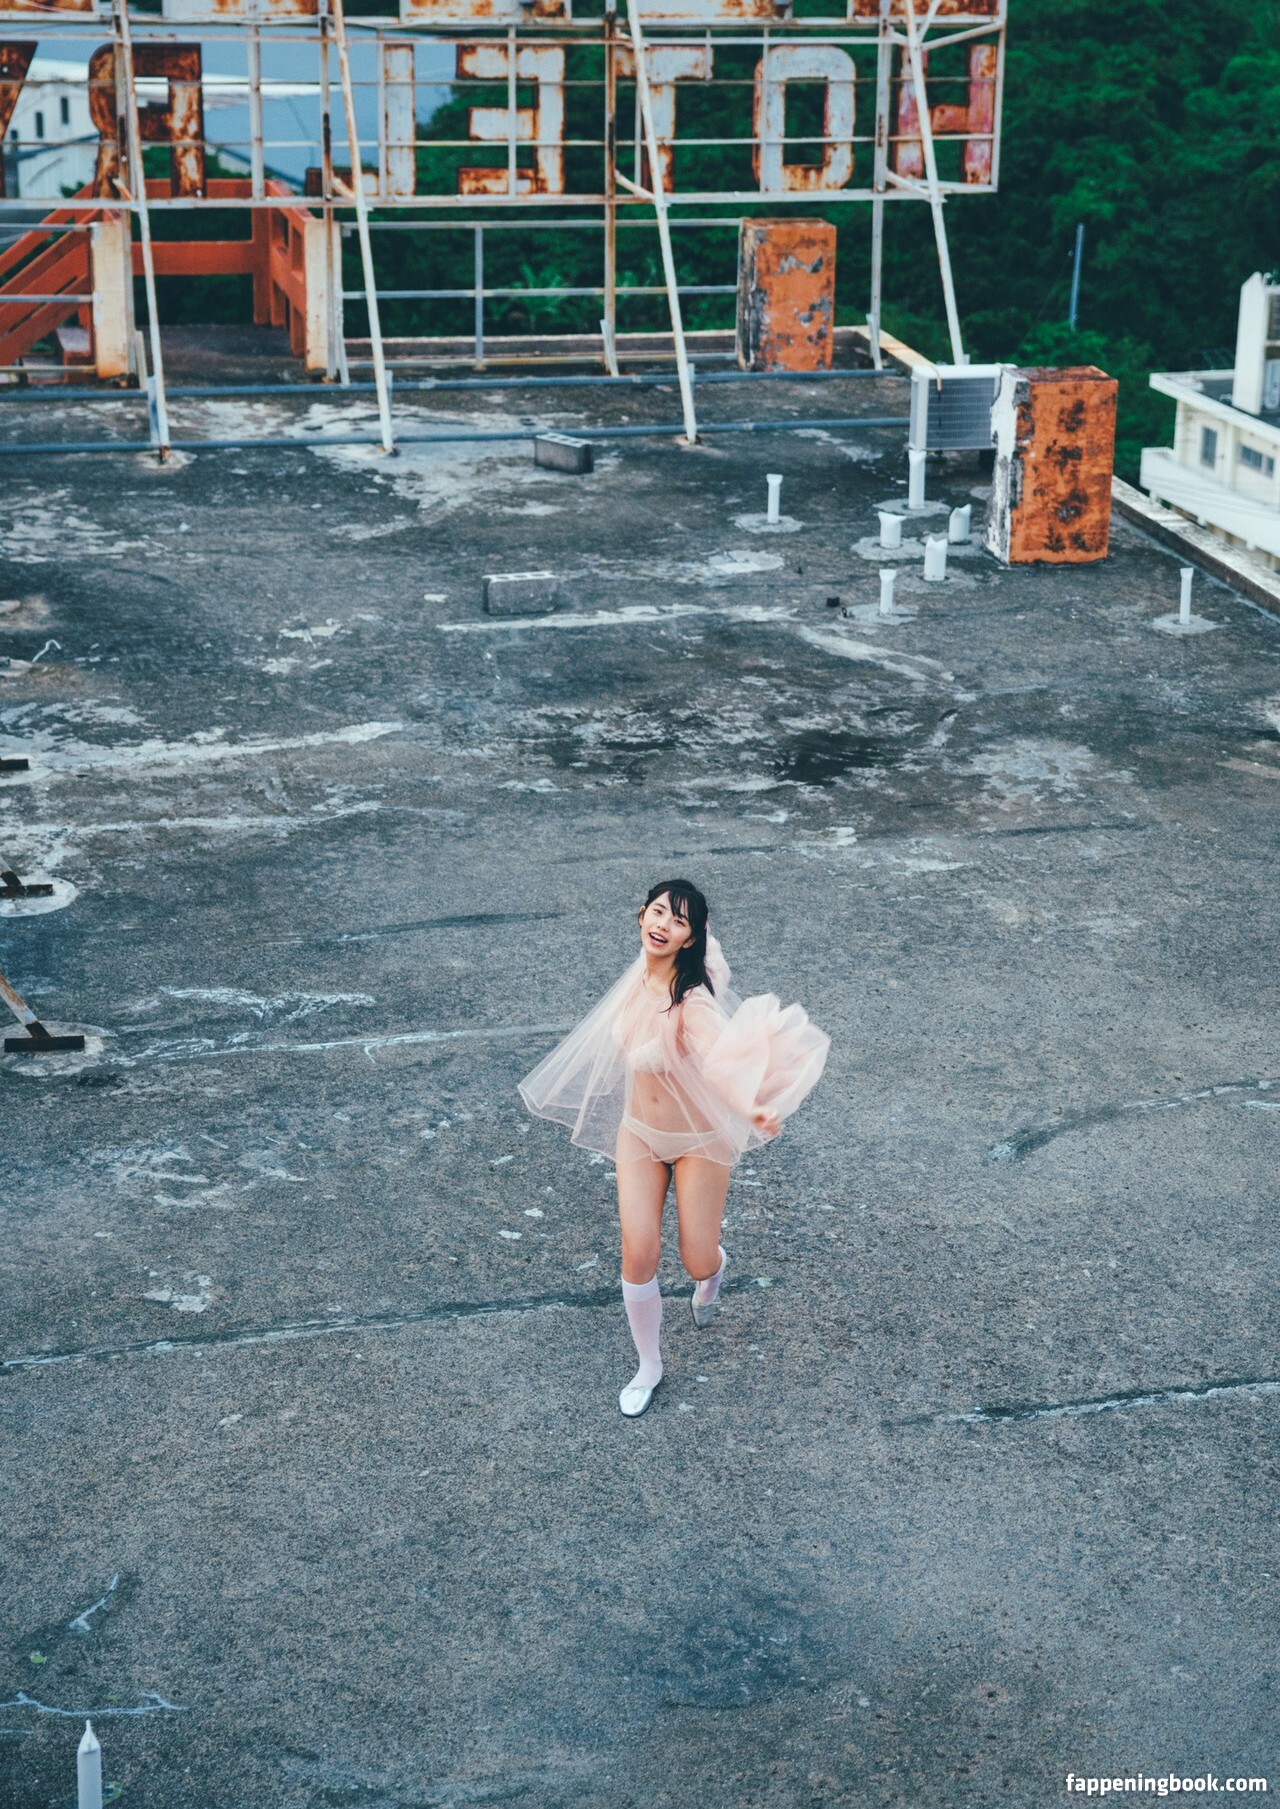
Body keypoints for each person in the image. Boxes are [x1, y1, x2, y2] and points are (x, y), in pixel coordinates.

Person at [518, 879, 829, 1417]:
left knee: (694, 1258)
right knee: (638, 1252)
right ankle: (649, 1365)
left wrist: (751, 1106)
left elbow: (723, 1059)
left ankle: (714, 1269)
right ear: (641, 915)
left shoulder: (693, 1003)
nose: (664, 925)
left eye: (679, 921)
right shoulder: (636, 977)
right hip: (638, 1132)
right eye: (659, 912)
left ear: (691, 938)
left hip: (697, 1142)